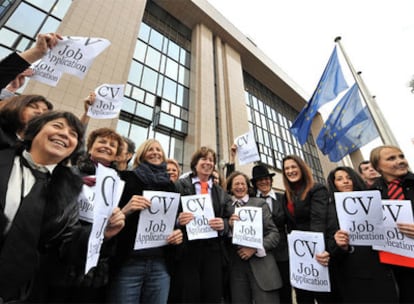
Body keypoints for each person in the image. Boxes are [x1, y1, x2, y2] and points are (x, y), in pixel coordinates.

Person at [0, 111, 125, 302]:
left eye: (73, 134)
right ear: (34, 130)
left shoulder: (68, 190)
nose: (66, 134)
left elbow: (66, 244)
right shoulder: (4, 158)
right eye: (57, 126)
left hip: (22, 293)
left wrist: (101, 233)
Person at [108, 139, 183, 303]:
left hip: (160, 264)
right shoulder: (126, 178)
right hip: (129, 262)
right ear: (142, 154)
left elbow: (175, 222)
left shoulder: (171, 187)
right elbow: (108, 218)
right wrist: (126, 210)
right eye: (150, 149)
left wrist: (178, 232)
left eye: (158, 149)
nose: (155, 152)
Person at [326, 166, 398, 303]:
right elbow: (329, 244)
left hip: (380, 267)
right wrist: (339, 244)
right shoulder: (329, 209)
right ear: (333, 183)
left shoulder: (375, 201)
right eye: (340, 179)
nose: (346, 181)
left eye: (349, 178)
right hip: (351, 272)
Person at [172, 146, 232, 303]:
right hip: (188, 249)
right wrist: (179, 220)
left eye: (211, 160)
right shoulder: (180, 185)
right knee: (189, 294)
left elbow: (229, 218)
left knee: (212, 294)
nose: (208, 163)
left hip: (213, 250)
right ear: (195, 163)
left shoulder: (220, 192)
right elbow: (170, 215)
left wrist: (223, 225)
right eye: (204, 159)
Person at [281, 155, 331, 304]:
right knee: (303, 297)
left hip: (317, 253)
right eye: (287, 169)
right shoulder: (286, 196)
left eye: (293, 167)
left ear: (302, 168)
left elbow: (318, 221)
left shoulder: (317, 189)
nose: (290, 171)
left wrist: (315, 250)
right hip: (299, 257)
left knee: (324, 298)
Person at [226, 171, 282, 303]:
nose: (240, 186)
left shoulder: (259, 204)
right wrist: (228, 226)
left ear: (248, 186)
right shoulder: (226, 208)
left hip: (261, 266)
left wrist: (255, 248)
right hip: (236, 269)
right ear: (230, 187)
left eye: (242, 183)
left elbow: (274, 234)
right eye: (236, 184)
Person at [370, 145, 414, 303]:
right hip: (391, 271)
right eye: (391, 158)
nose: (400, 161)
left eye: (401, 156)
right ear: (378, 167)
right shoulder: (371, 195)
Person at [250, 164, 291, 303]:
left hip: (282, 251)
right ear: (255, 183)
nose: (263, 182)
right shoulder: (250, 200)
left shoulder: (282, 198)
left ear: (271, 180)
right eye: (259, 180)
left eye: (266, 178)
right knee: (266, 292)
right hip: (260, 252)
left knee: (285, 291)